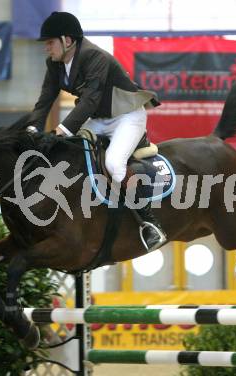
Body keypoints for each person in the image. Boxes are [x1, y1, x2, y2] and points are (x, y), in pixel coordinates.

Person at [27, 11, 166, 251]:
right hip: (100, 119)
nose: (46, 48)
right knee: (69, 154)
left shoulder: (95, 57)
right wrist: (31, 129)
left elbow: (89, 101)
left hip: (127, 117)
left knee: (113, 163)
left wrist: (61, 130)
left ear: (67, 40)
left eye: (50, 42)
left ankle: (149, 223)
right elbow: (45, 99)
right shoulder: (55, 64)